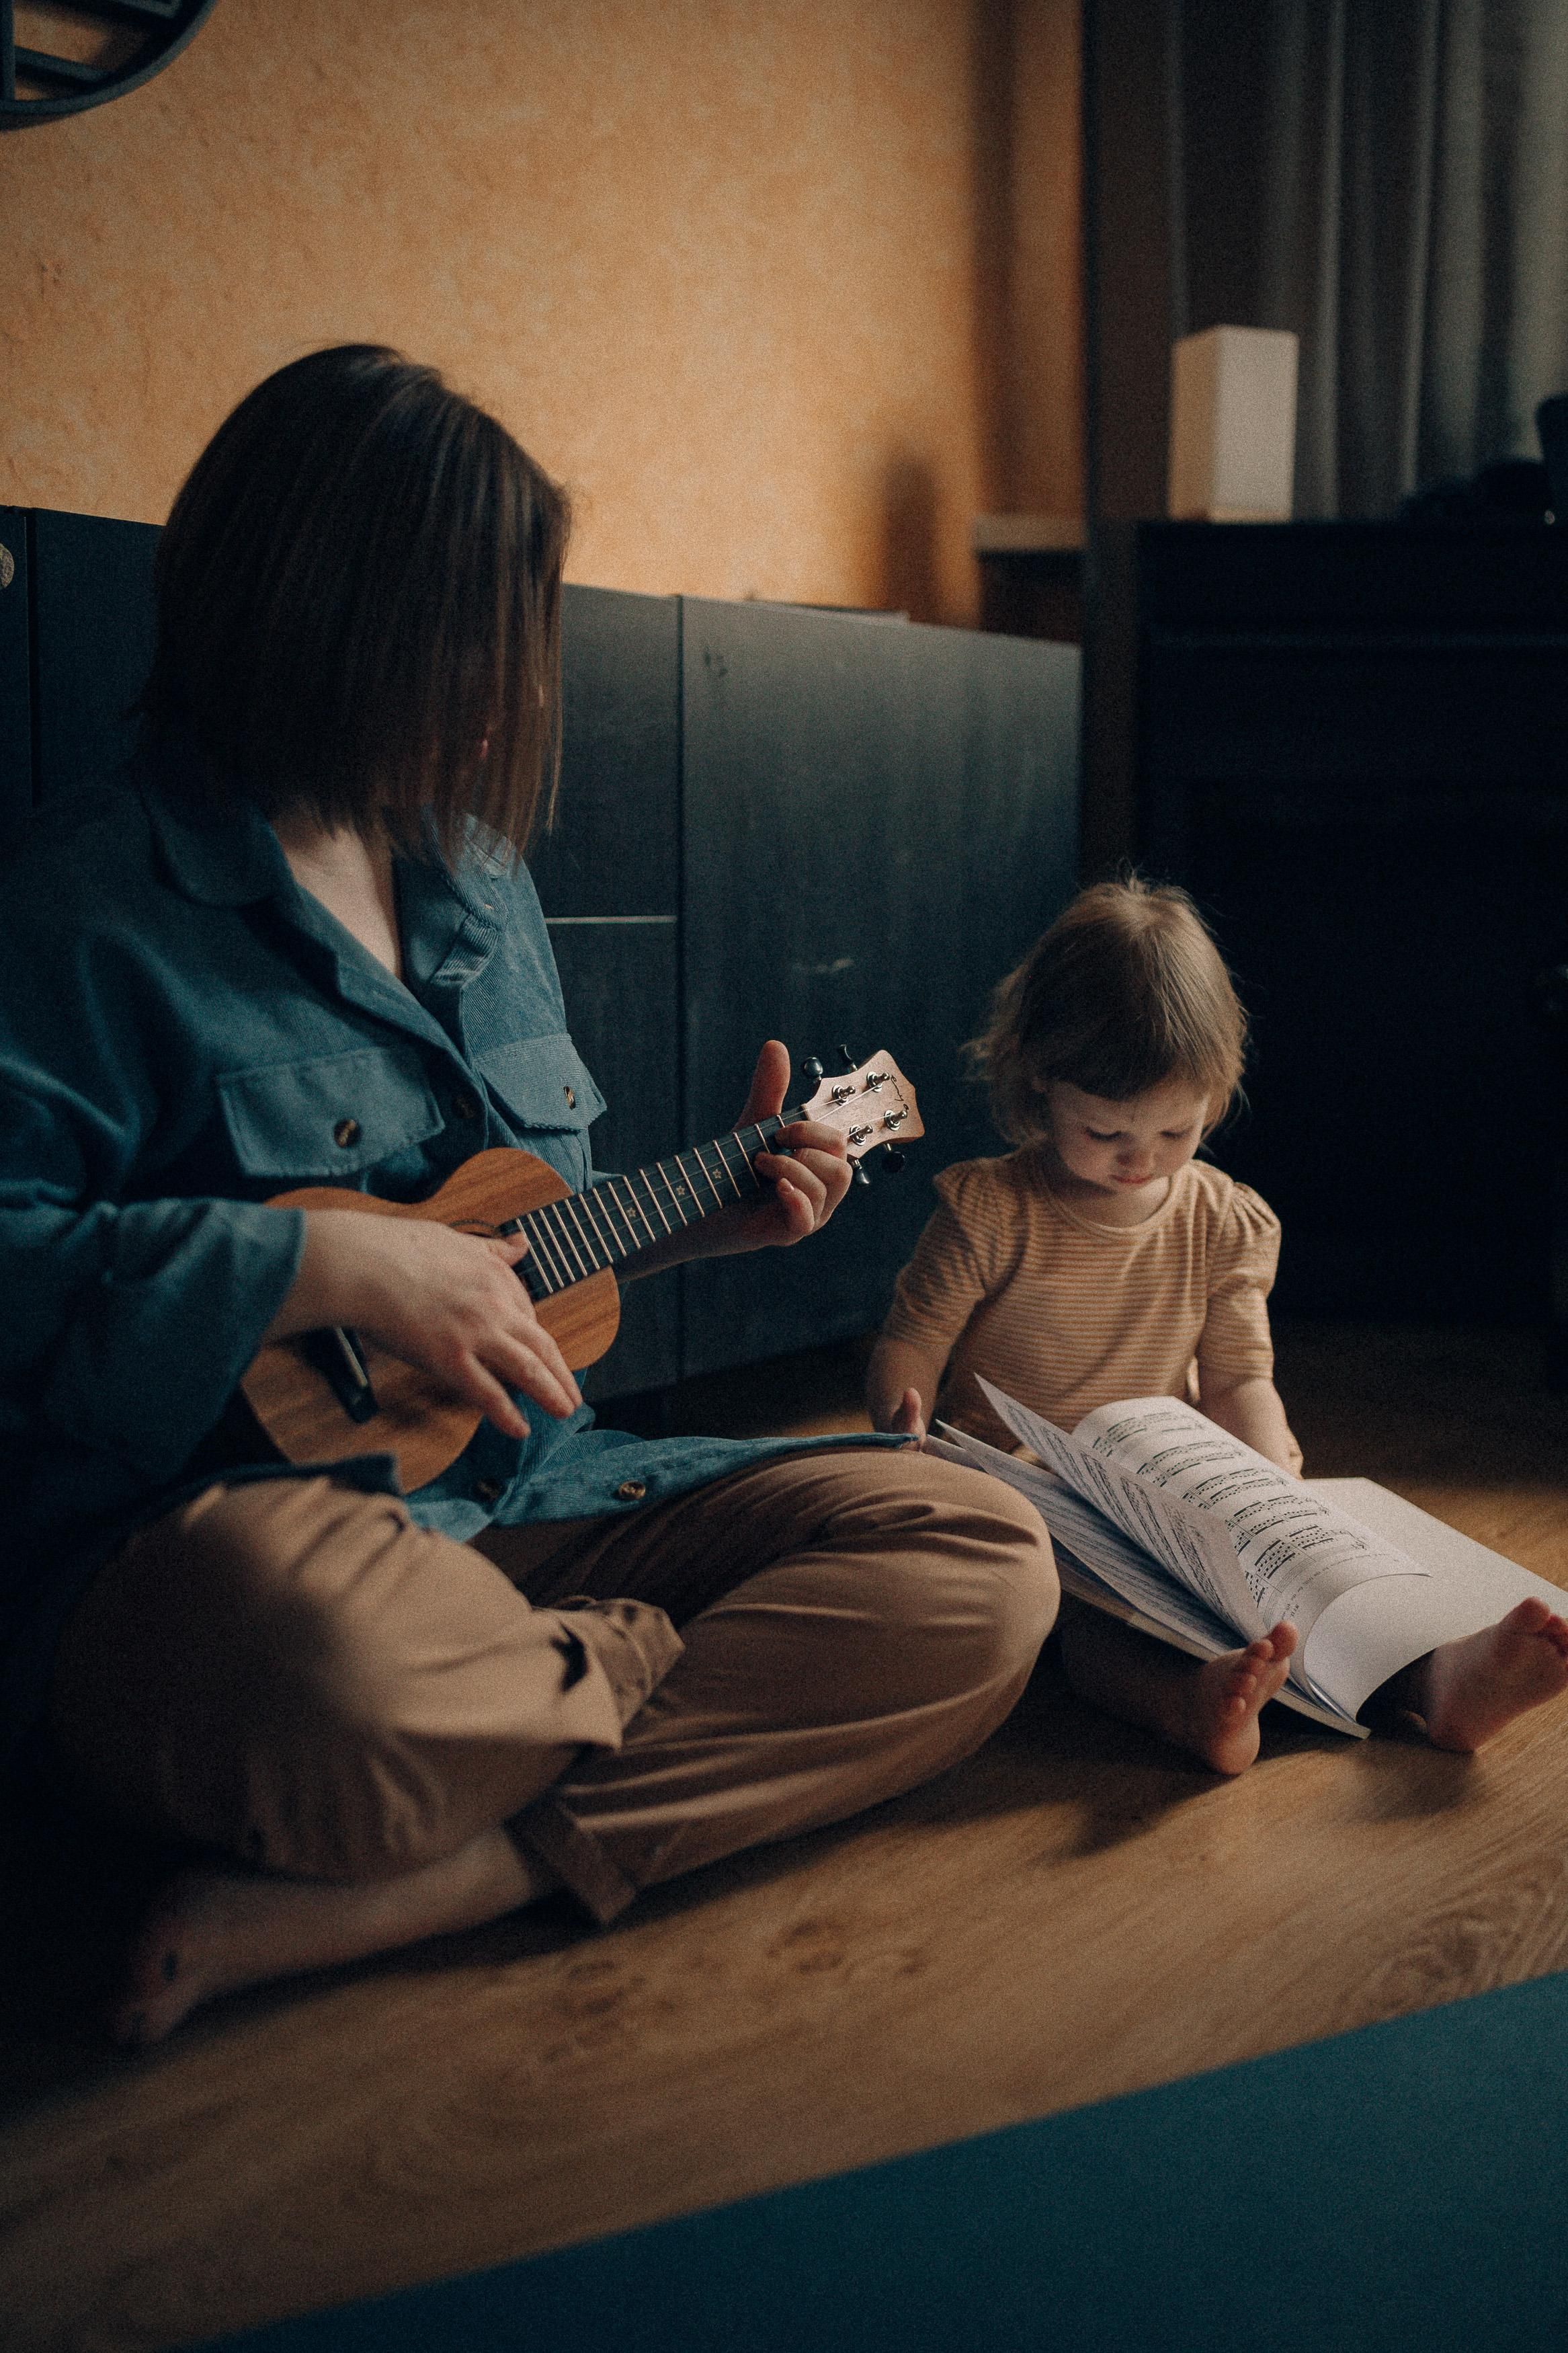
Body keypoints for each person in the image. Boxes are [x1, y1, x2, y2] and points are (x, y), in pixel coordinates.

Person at [0, 346, 1059, 2045]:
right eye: (477, 635)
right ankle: (638, 1682)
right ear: (331, 611)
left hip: (532, 1502)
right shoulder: (86, 906)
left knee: (988, 1560)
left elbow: (512, 1254)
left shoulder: (482, 885)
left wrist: (716, 1220)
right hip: (215, 1557)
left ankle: (458, 1869)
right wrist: (313, 1262)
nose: (512, 692)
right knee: (321, 1674)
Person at [868, 879, 1568, 1773]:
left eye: (1173, 1131)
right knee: (1086, 1616)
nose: (1138, 1159)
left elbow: (1238, 1379)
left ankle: (1436, 1682)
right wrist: (905, 1425)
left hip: (1161, 1488)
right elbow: (910, 1344)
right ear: (1039, 1074)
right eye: (1104, 1130)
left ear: (1215, 1091)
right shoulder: (989, 1210)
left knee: (1310, 1575)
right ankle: (1184, 1704)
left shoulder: (1223, 1221)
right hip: (1020, 1487)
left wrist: (1270, 1468)